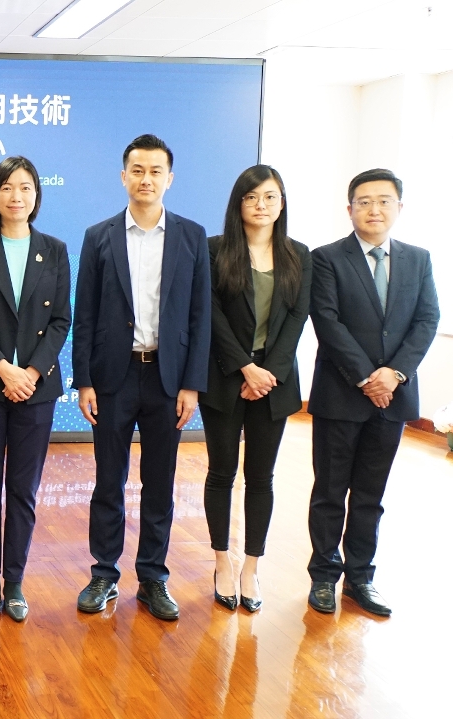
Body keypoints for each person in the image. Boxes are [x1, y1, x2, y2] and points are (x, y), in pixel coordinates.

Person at [71, 134, 210, 622]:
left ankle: (152, 576)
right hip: (114, 375)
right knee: (108, 480)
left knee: (160, 481)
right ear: (123, 176)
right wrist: (84, 380)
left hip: (167, 379)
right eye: (137, 170)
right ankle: (104, 573)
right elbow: (85, 313)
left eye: (155, 171)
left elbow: (200, 316)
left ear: (169, 179)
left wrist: (192, 384)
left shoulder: (192, 236)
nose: (146, 179)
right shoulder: (99, 236)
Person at [305, 168, 439, 617]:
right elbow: (327, 321)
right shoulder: (327, 258)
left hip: (393, 397)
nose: (374, 209)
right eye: (364, 202)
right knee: (330, 491)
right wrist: (367, 377)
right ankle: (324, 577)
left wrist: (394, 374)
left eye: (384, 201)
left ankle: (361, 578)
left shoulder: (418, 259)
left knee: (370, 495)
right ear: (350, 209)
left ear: (400, 207)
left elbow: (427, 319)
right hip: (341, 395)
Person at [0, 156, 71, 622]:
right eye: (6, 187)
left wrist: (32, 372)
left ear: (36, 195)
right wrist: (4, 369)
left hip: (36, 390)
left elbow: (60, 320)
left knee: (23, 490)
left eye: (24, 187)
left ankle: (15, 580)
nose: (15, 196)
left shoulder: (55, 249)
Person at [199, 166, 311, 613]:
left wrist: (268, 374)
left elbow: (297, 319)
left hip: (274, 385)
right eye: (252, 197)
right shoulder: (215, 250)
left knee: (261, 477)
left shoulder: (299, 255)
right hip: (225, 379)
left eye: (270, 196)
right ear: (238, 203)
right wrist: (245, 368)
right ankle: (222, 562)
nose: (261, 205)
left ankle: (251, 568)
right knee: (221, 473)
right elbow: (210, 314)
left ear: (281, 203)